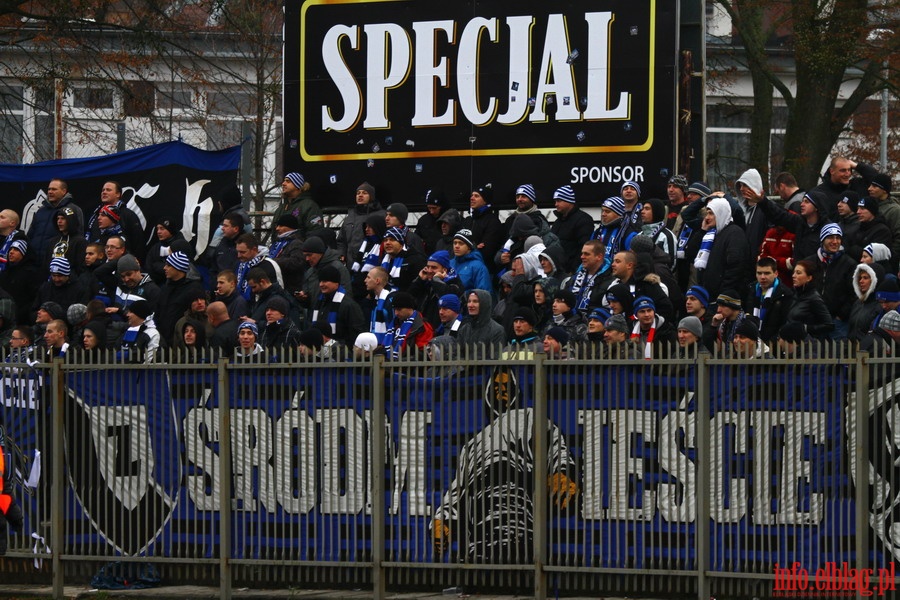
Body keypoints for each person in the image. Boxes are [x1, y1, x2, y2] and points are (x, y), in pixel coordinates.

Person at [694, 196, 752, 303]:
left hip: (725, 300)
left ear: (720, 213)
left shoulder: (734, 233)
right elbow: (691, 253)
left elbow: (735, 268)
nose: (707, 217)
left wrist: (722, 294)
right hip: (710, 297)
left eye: (711, 213)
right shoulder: (711, 234)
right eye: (707, 213)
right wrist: (702, 231)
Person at [808, 223, 856, 340]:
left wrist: (841, 315)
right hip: (814, 321)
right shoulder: (809, 263)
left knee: (838, 356)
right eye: (830, 237)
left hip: (838, 323)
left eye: (838, 238)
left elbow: (854, 293)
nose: (835, 241)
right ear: (822, 239)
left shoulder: (849, 264)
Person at [85, 180, 146, 260]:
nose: (104, 192)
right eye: (103, 190)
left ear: (118, 194)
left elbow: (138, 243)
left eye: (108, 190)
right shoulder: (95, 216)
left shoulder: (128, 215)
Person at [27, 179, 84, 263]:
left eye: (54, 189)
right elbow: (31, 234)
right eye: (49, 189)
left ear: (64, 191)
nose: (50, 192)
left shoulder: (73, 209)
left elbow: (78, 236)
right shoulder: (41, 211)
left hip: (57, 262)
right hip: (33, 261)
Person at [156, 251, 205, 346]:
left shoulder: (194, 289)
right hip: (163, 342)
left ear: (178, 268)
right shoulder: (165, 288)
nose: (164, 268)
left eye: (168, 265)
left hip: (182, 343)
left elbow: (199, 317)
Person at [308, 265, 365, 346]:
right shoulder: (318, 303)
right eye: (320, 281)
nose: (321, 284)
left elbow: (356, 334)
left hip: (341, 354)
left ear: (336, 283)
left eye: (325, 281)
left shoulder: (349, 305)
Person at [744, 257, 793, 345]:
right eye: (759, 273)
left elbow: (785, 325)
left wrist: (768, 345)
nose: (762, 277)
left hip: (772, 346)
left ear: (776, 273)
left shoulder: (785, 294)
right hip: (751, 343)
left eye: (767, 273)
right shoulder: (750, 289)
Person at [337, 182, 385, 267]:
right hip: (351, 265)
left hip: (372, 264)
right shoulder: (350, 217)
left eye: (364, 193)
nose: (360, 195)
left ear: (371, 196)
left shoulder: (381, 215)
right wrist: (341, 254)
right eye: (358, 193)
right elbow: (341, 241)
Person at [267, 172, 323, 244]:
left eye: (288, 181)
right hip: (281, 252)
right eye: (284, 181)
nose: (283, 184)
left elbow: (315, 233)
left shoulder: (309, 206)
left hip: (299, 251)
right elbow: (274, 233)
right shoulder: (281, 208)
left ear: (297, 185)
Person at [784, 259, 834, 341]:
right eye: (794, 272)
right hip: (793, 344)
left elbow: (829, 325)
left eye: (798, 273)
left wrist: (805, 328)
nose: (793, 275)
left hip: (808, 345)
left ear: (809, 278)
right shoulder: (795, 294)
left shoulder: (814, 298)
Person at [461, 183, 504, 274]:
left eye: (476, 196)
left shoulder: (493, 221)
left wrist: (467, 249)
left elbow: (487, 251)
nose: (472, 198)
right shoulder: (468, 220)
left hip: (483, 271)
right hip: (464, 269)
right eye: (472, 195)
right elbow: (458, 246)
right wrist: (475, 247)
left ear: (485, 201)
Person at [549, 185, 594, 273]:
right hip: (556, 271)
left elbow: (583, 248)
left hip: (571, 272)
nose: (556, 204)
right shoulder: (558, 221)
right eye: (555, 201)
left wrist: (573, 271)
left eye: (559, 201)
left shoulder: (584, 220)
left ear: (569, 201)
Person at [382, 291, 433, 359]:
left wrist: (401, 362)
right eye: (395, 310)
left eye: (399, 309)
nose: (396, 313)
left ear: (409, 308)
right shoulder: (394, 324)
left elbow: (423, 353)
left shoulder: (422, 326)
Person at [564, 240, 610, 315]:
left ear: (599, 256)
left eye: (586, 254)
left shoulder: (609, 280)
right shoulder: (575, 277)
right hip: (571, 322)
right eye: (582, 253)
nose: (582, 257)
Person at [457, 289, 505, 357]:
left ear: (484, 303)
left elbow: (495, 360)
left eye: (475, 301)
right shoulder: (464, 329)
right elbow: (458, 357)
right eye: (469, 301)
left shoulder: (497, 331)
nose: (470, 305)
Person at [268, 214, 307, 296]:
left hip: (290, 289)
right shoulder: (277, 243)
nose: (277, 228)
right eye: (277, 225)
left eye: (281, 226)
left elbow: (297, 262)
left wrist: (274, 262)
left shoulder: (297, 243)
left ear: (291, 227)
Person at [847, 263, 883, 344]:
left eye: (865, 278)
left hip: (869, 352)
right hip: (853, 351)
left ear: (875, 281)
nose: (861, 281)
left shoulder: (880, 305)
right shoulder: (858, 303)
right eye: (860, 278)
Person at [638, 198, 677, 268]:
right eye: (643, 208)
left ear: (656, 211)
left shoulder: (667, 236)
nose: (642, 211)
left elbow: (671, 264)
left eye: (647, 209)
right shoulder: (639, 235)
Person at [450, 228, 491, 293]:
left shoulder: (478, 267)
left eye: (461, 243)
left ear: (469, 246)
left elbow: (483, 294)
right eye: (455, 243)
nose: (456, 246)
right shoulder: (450, 263)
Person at [118, 299, 159, 364]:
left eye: (130, 312)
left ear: (139, 314)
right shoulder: (128, 331)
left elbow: (149, 361)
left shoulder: (152, 334)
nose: (127, 315)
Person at [415, 189, 449, 255]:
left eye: (434, 208)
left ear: (441, 206)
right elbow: (417, 240)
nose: (431, 211)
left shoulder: (451, 220)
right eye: (429, 208)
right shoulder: (423, 221)